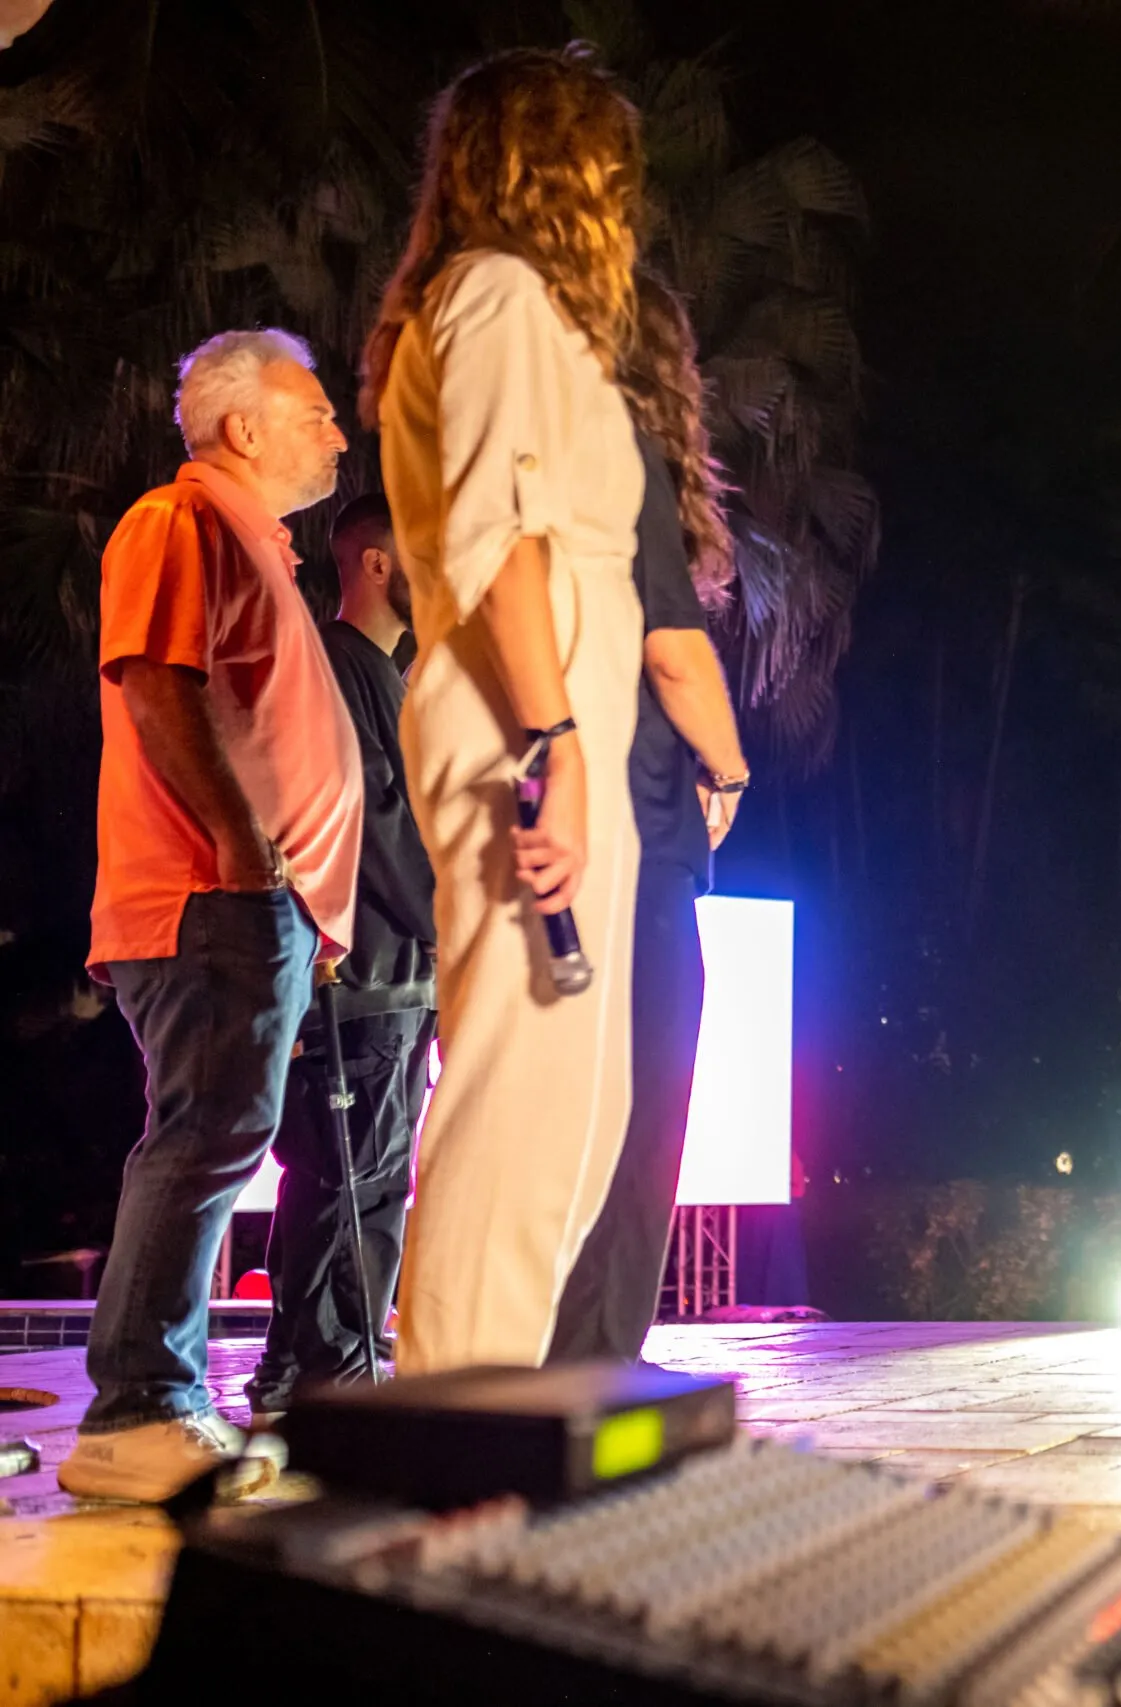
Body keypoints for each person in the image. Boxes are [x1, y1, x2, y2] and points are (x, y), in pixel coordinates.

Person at [368, 48, 649, 1373]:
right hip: (520, 715)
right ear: (554, 161)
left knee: (578, 1103)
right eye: (604, 157)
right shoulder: (495, 295)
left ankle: (493, 1394)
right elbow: (502, 546)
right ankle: (454, 1413)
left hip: (558, 706)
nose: (620, 188)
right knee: (519, 1084)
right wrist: (558, 748)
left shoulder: (519, 307)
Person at [61, 329, 362, 1502]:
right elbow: (155, 680)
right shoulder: (181, 520)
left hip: (251, 897)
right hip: (207, 892)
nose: (339, 431)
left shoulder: (255, 544)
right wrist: (242, 848)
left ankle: (150, 1402)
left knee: (219, 1135)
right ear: (242, 427)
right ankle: (138, 1409)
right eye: (317, 409)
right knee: (205, 1136)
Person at [546, 275, 751, 1366]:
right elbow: (674, 650)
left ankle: (575, 1347)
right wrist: (729, 769)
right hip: (635, 834)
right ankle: (598, 1355)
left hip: (573, 824)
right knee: (640, 1108)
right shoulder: (622, 451)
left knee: (582, 1114)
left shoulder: (546, 459)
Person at [246, 495, 438, 1421]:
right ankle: (334, 1376)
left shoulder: (385, 672)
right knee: (350, 1177)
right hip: (361, 980)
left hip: (392, 977)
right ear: (370, 561)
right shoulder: (337, 665)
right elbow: (377, 825)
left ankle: (302, 1370)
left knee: (351, 1175)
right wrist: (452, 920)